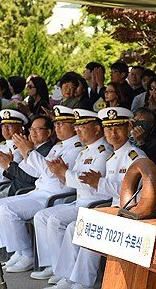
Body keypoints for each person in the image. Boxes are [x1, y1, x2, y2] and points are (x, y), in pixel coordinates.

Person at [48, 106, 147, 289]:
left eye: (118, 128)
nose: (113, 133)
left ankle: (83, 282)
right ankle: (68, 277)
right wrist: (98, 183)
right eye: (109, 128)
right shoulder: (112, 157)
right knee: (73, 227)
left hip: (130, 212)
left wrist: (99, 183)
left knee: (90, 228)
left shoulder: (135, 156)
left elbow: (136, 192)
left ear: (128, 129)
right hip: (115, 208)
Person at [0, 105, 83, 273]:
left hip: (56, 195)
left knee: (8, 209)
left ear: (73, 126)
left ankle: (28, 254)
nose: (57, 127)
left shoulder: (76, 148)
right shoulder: (58, 147)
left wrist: (28, 151)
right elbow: (33, 171)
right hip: (38, 192)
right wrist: (24, 156)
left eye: (61, 124)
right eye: (56, 124)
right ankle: (18, 251)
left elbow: (51, 173)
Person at [30, 109, 112, 282]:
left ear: (97, 129)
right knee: (42, 216)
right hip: (80, 202)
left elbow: (90, 183)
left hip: (95, 204)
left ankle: (68, 274)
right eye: (77, 126)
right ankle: (54, 266)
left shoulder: (103, 151)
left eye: (82, 126)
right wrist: (61, 173)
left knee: (56, 221)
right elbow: (70, 180)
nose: (78, 130)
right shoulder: (84, 151)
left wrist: (64, 172)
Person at [0, 115, 54, 197]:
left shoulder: (47, 150)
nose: (33, 133)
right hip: (12, 189)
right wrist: (8, 167)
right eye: (32, 129)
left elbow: (32, 178)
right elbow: (19, 175)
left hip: (23, 192)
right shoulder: (32, 147)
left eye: (38, 129)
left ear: (48, 132)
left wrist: (9, 165)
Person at [0, 109, 27, 195]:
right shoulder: (1, 145)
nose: (5, 130)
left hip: (3, 186)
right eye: (3, 126)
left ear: (21, 129)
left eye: (9, 126)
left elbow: (11, 173)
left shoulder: (20, 147)